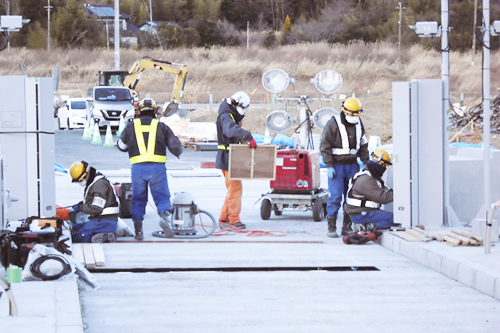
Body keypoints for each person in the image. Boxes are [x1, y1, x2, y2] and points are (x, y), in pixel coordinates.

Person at [117, 97, 183, 240]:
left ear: (139, 111)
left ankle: (139, 231)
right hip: (157, 168)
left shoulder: (131, 126)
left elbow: (122, 146)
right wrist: (178, 151)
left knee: (138, 199)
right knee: (162, 197)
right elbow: (175, 146)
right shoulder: (161, 126)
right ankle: (165, 219)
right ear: (154, 111)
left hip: (138, 169)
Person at [320, 96, 369, 238]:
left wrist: (365, 163)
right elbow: (325, 146)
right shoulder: (333, 124)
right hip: (336, 166)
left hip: (352, 166)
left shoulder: (359, 123)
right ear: (345, 111)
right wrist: (329, 165)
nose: (354, 117)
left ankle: (346, 227)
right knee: (335, 197)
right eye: (352, 114)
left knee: (351, 198)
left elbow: (363, 145)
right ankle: (332, 226)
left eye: (357, 114)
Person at [216, 91, 256, 230]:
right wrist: (247, 136)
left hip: (228, 156)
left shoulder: (227, 114)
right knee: (235, 188)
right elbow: (230, 131)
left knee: (232, 189)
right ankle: (234, 219)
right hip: (228, 157)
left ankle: (224, 218)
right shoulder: (226, 116)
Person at [344, 149, 398, 233]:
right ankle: (365, 227)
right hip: (360, 214)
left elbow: (384, 189)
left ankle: (366, 225)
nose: (384, 169)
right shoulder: (366, 180)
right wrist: (400, 194)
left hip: (362, 211)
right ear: (380, 164)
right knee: (394, 219)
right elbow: (383, 198)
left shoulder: (369, 176)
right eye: (384, 166)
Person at [69, 161, 119, 243]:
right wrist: (79, 205)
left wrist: (81, 208)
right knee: (74, 228)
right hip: (99, 220)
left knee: (78, 236)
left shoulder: (99, 185)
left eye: (80, 180)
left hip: (105, 222)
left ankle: (106, 235)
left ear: (86, 174)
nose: (80, 182)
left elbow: (96, 209)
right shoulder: (93, 182)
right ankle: (98, 233)